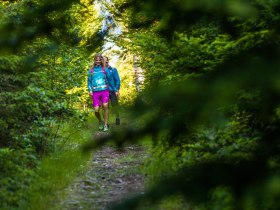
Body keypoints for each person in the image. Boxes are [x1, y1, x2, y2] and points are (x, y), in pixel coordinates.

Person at [88, 53, 111, 132]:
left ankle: (105, 125)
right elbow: (89, 82)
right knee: (96, 110)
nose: (98, 61)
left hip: (104, 91)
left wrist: (113, 90)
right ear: (94, 60)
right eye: (96, 60)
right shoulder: (91, 70)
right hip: (95, 92)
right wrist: (90, 90)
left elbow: (109, 80)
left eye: (99, 60)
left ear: (101, 60)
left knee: (105, 107)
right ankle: (100, 121)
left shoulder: (105, 69)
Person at [103, 56, 121, 125]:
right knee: (105, 107)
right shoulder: (101, 71)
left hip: (112, 91)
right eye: (104, 61)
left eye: (107, 60)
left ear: (108, 61)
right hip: (104, 91)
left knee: (115, 105)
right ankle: (106, 122)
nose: (106, 62)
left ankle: (117, 117)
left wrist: (117, 90)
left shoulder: (113, 70)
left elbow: (117, 80)